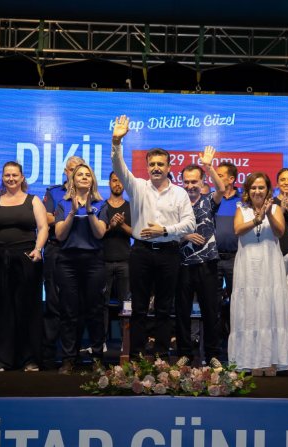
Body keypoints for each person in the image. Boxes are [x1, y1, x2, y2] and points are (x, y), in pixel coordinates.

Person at [110, 115, 196, 358]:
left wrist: (165, 231)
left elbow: (190, 223)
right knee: (138, 308)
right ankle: (137, 357)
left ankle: (160, 357)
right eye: (152, 164)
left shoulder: (179, 193)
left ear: (169, 167)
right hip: (141, 253)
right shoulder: (137, 186)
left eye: (161, 164)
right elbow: (118, 167)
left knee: (164, 308)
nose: (156, 167)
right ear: (147, 167)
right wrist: (116, 141)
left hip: (169, 253)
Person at [0, 161, 48, 372]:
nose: (11, 178)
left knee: (27, 310)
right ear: (2, 177)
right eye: (7, 175)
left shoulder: (33, 201)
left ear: (22, 177)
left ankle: (29, 359)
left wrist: (38, 249)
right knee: (1, 311)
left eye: (15, 175)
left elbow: (43, 227)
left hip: (26, 261)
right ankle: (1, 359)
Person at [228, 173, 288, 375]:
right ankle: (251, 360)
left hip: (269, 262)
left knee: (269, 308)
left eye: (261, 187)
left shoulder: (275, 208)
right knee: (249, 309)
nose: (257, 191)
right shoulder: (241, 209)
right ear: (248, 191)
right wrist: (257, 220)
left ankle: (270, 360)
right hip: (248, 263)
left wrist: (268, 215)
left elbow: (280, 232)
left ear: (268, 190)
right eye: (253, 188)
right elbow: (238, 230)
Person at [53, 164, 109, 374]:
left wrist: (89, 211)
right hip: (68, 262)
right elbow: (59, 235)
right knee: (69, 312)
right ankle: (69, 358)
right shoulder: (63, 203)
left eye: (88, 175)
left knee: (95, 311)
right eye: (80, 175)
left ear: (92, 180)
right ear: (73, 180)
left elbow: (100, 233)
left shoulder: (101, 204)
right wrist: (73, 213)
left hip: (93, 262)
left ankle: (97, 358)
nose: (84, 177)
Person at [175, 147, 226, 365]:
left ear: (202, 181)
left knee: (210, 311)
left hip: (208, 263)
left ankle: (212, 355)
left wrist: (208, 166)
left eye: (194, 181)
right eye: (186, 182)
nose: (190, 186)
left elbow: (222, 188)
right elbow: (168, 232)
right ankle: (185, 354)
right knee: (182, 312)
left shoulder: (209, 201)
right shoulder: (176, 204)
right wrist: (185, 236)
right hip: (182, 263)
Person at [41, 156, 85, 368]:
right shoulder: (54, 192)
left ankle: (72, 354)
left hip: (80, 251)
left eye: (79, 169)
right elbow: (45, 218)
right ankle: (48, 354)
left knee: (77, 305)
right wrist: (70, 214)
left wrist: (59, 215)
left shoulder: (89, 193)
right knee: (52, 302)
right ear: (65, 172)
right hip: (56, 250)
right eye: (71, 169)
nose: (74, 172)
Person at [102, 171, 133, 336]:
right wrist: (111, 226)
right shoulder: (102, 206)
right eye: (114, 180)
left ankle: (125, 344)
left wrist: (122, 225)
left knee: (126, 304)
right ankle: (101, 343)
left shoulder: (130, 207)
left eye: (120, 181)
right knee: (102, 303)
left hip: (125, 261)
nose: (117, 184)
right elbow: (97, 233)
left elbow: (136, 233)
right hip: (103, 261)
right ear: (109, 183)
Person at [214, 161, 241, 339]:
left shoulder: (244, 200)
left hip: (236, 258)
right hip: (214, 258)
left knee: (238, 302)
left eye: (220, 175)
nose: (215, 178)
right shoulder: (212, 199)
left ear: (231, 179)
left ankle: (236, 341)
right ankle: (213, 343)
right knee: (212, 302)